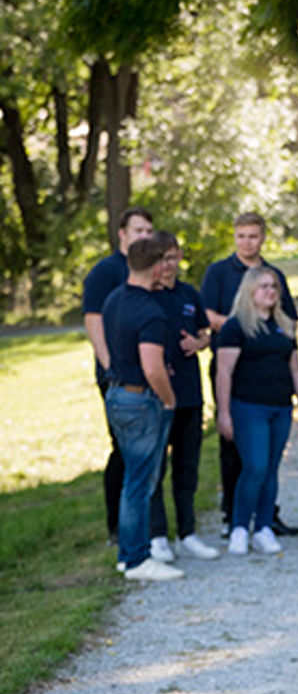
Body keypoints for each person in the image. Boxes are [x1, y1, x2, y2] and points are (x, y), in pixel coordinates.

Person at [201, 212, 298, 538]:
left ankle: (267, 517)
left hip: (269, 368)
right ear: (235, 236)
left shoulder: (272, 275)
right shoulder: (219, 272)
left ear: (262, 237)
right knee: (233, 446)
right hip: (231, 364)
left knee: (268, 456)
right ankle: (234, 517)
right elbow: (207, 314)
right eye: (241, 236)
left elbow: (286, 316)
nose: (247, 242)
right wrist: (242, 326)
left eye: (253, 236)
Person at [215, 266, 298, 556]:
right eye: (263, 287)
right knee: (255, 467)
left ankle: (264, 527)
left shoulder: (284, 325)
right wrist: (224, 413)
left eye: (274, 287)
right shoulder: (236, 327)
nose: (270, 291)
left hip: (280, 408)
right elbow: (224, 372)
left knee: (271, 469)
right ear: (249, 291)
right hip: (248, 407)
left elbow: (295, 369)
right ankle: (239, 527)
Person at [101, 235, 183, 581]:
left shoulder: (114, 299)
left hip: (117, 394)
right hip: (141, 400)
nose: (169, 267)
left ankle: (127, 554)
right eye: (165, 261)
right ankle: (137, 560)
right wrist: (168, 398)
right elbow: (152, 367)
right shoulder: (150, 311)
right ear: (155, 266)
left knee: (131, 480)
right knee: (140, 482)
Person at [83, 207, 155, 545]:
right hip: (118, 378)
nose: (143, 237)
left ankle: (144, 526)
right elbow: (94, 322)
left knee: (146, 452)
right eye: (138, 231)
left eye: (148, 232)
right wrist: (111, 366)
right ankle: (118, 527)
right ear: (122, 234)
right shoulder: (105, 272)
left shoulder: (150, 271)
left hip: (147, 376)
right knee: (123, 449)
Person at [147, 232, 220, 562]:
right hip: (158, 397)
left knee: (187, 467)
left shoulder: (190, 293)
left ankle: (187, 533)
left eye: (172, 257)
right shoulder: (144, 295)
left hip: (190, 395)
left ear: (179, 257)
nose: (167, 264)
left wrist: (199, 343)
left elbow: (205, 333)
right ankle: (157, 536)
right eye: (161, 258)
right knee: (155, 469)